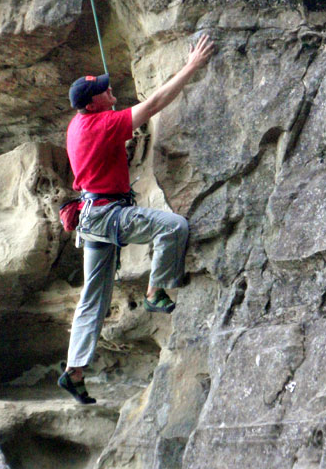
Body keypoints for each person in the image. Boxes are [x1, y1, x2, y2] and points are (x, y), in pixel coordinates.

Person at [58, 34, 215, 404]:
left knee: (92, 298)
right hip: (107, 214)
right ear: (93, 104)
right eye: (104, 91)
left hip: (92, 216)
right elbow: (157, 102)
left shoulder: (78, 125)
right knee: (173, 227)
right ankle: (155, 291)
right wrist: (191, 65)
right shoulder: (103, 125)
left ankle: (74, 370)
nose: (111, 91)